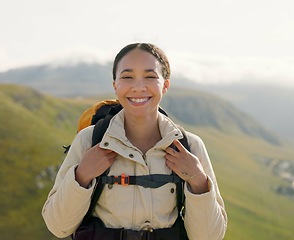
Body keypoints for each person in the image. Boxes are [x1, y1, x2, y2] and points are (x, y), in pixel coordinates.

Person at [42, 43, 227, 240]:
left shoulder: (189, 146)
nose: (138, 87)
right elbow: (58, 226)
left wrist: (198, 181)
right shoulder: (89, 140)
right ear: (115, 86)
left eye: (150, 76)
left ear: (165, 85)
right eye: (127, 77)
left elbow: (209, 237)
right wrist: (82, 175)